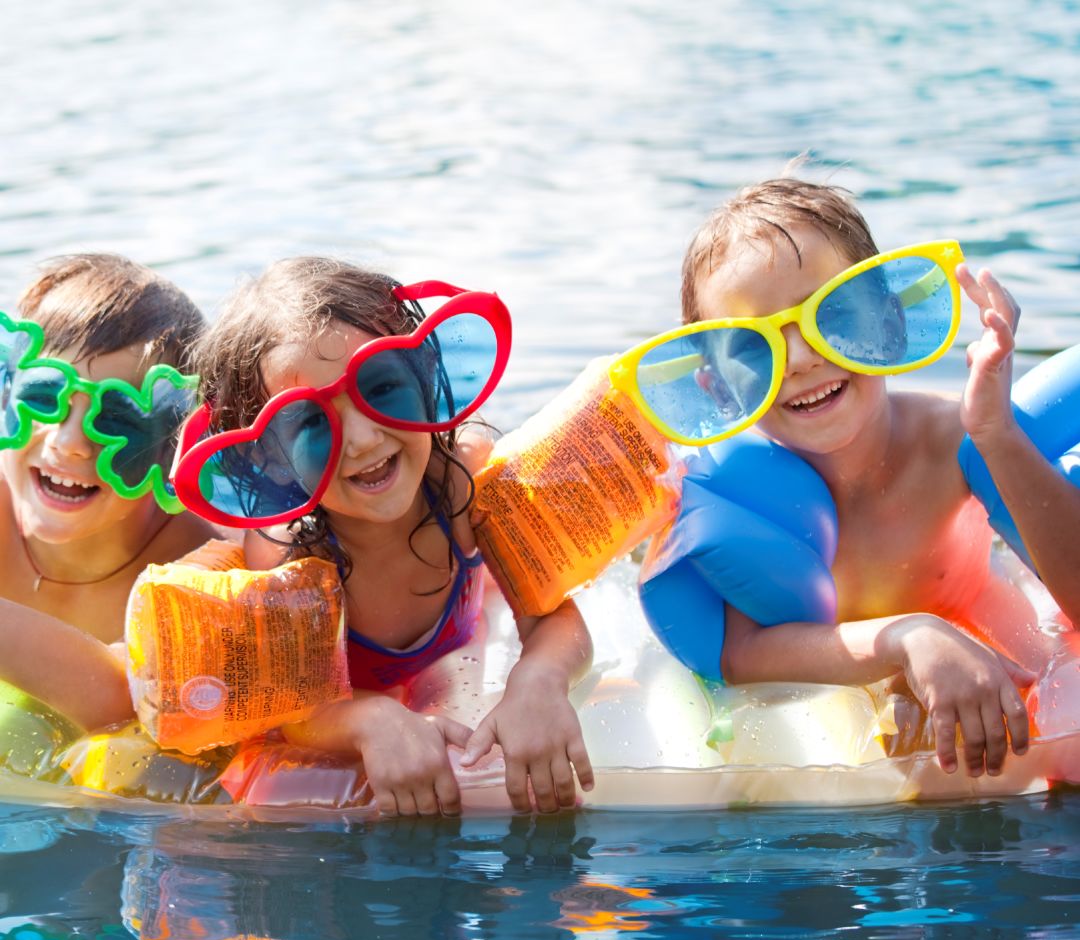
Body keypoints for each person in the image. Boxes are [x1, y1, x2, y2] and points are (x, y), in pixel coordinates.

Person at [669, 175, 1080, 780]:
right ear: (718, 388)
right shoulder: (742, 496)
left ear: (887, 322)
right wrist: (905, 639)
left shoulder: (952, 443)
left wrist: (997, 435)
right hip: (847, 675)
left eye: (829, 315)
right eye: (754, 346)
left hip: (988, 632)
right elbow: (744, 651)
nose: (803, 358)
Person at [176, 257, 594, 817]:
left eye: (382, 387)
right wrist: (370, 719)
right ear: (270, 459)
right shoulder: (289, 553)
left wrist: (538, 680)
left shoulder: (462, 485)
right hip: (363, 692)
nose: (365, 439)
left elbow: (553, 616)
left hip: (467, 650)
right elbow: (289, 704)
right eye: (312, 423)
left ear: (425, 381)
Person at [0, 253, 218, 728]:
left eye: (117, 419)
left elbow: (127, 698)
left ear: (173, 448)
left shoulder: (193, 566)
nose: (70, 442)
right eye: (43, 397)